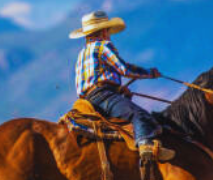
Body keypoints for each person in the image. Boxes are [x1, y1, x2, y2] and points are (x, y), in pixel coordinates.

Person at [72, 10, 175, 166]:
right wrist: (150, 73)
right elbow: (124, 69)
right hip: (102, 95)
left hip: (87, 99)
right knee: (140, 116)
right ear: (104, 31)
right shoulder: (103, 46)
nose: (109, 35)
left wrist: (117, 89)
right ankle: (146, 149)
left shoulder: (82, 53)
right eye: (108, 31)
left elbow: (94, 79)